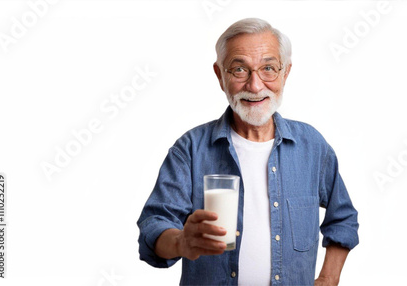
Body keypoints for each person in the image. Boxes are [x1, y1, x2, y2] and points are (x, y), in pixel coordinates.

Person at [137, 18, 359, 286]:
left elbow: (343, 218)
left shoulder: (312, 146)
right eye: (239, 69)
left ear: (285, 73)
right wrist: (181, 241)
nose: (255, 86)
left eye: (268, 68)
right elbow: (154, 226)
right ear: (220, 76)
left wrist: (329, 278)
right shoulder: (191, 149)